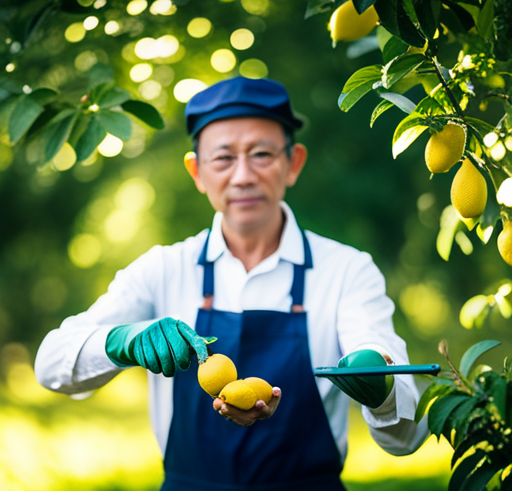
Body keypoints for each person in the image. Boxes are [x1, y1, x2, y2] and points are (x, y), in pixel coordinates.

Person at [35, 76, 428, 491]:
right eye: (223, 158)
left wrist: (380, 386)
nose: (243, 176)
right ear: (197, 171)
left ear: (293, 162)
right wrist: (122, 341)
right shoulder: (163, 268)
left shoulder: (347, 271)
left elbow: (407, 439)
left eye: (261, 154)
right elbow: (49, 366)